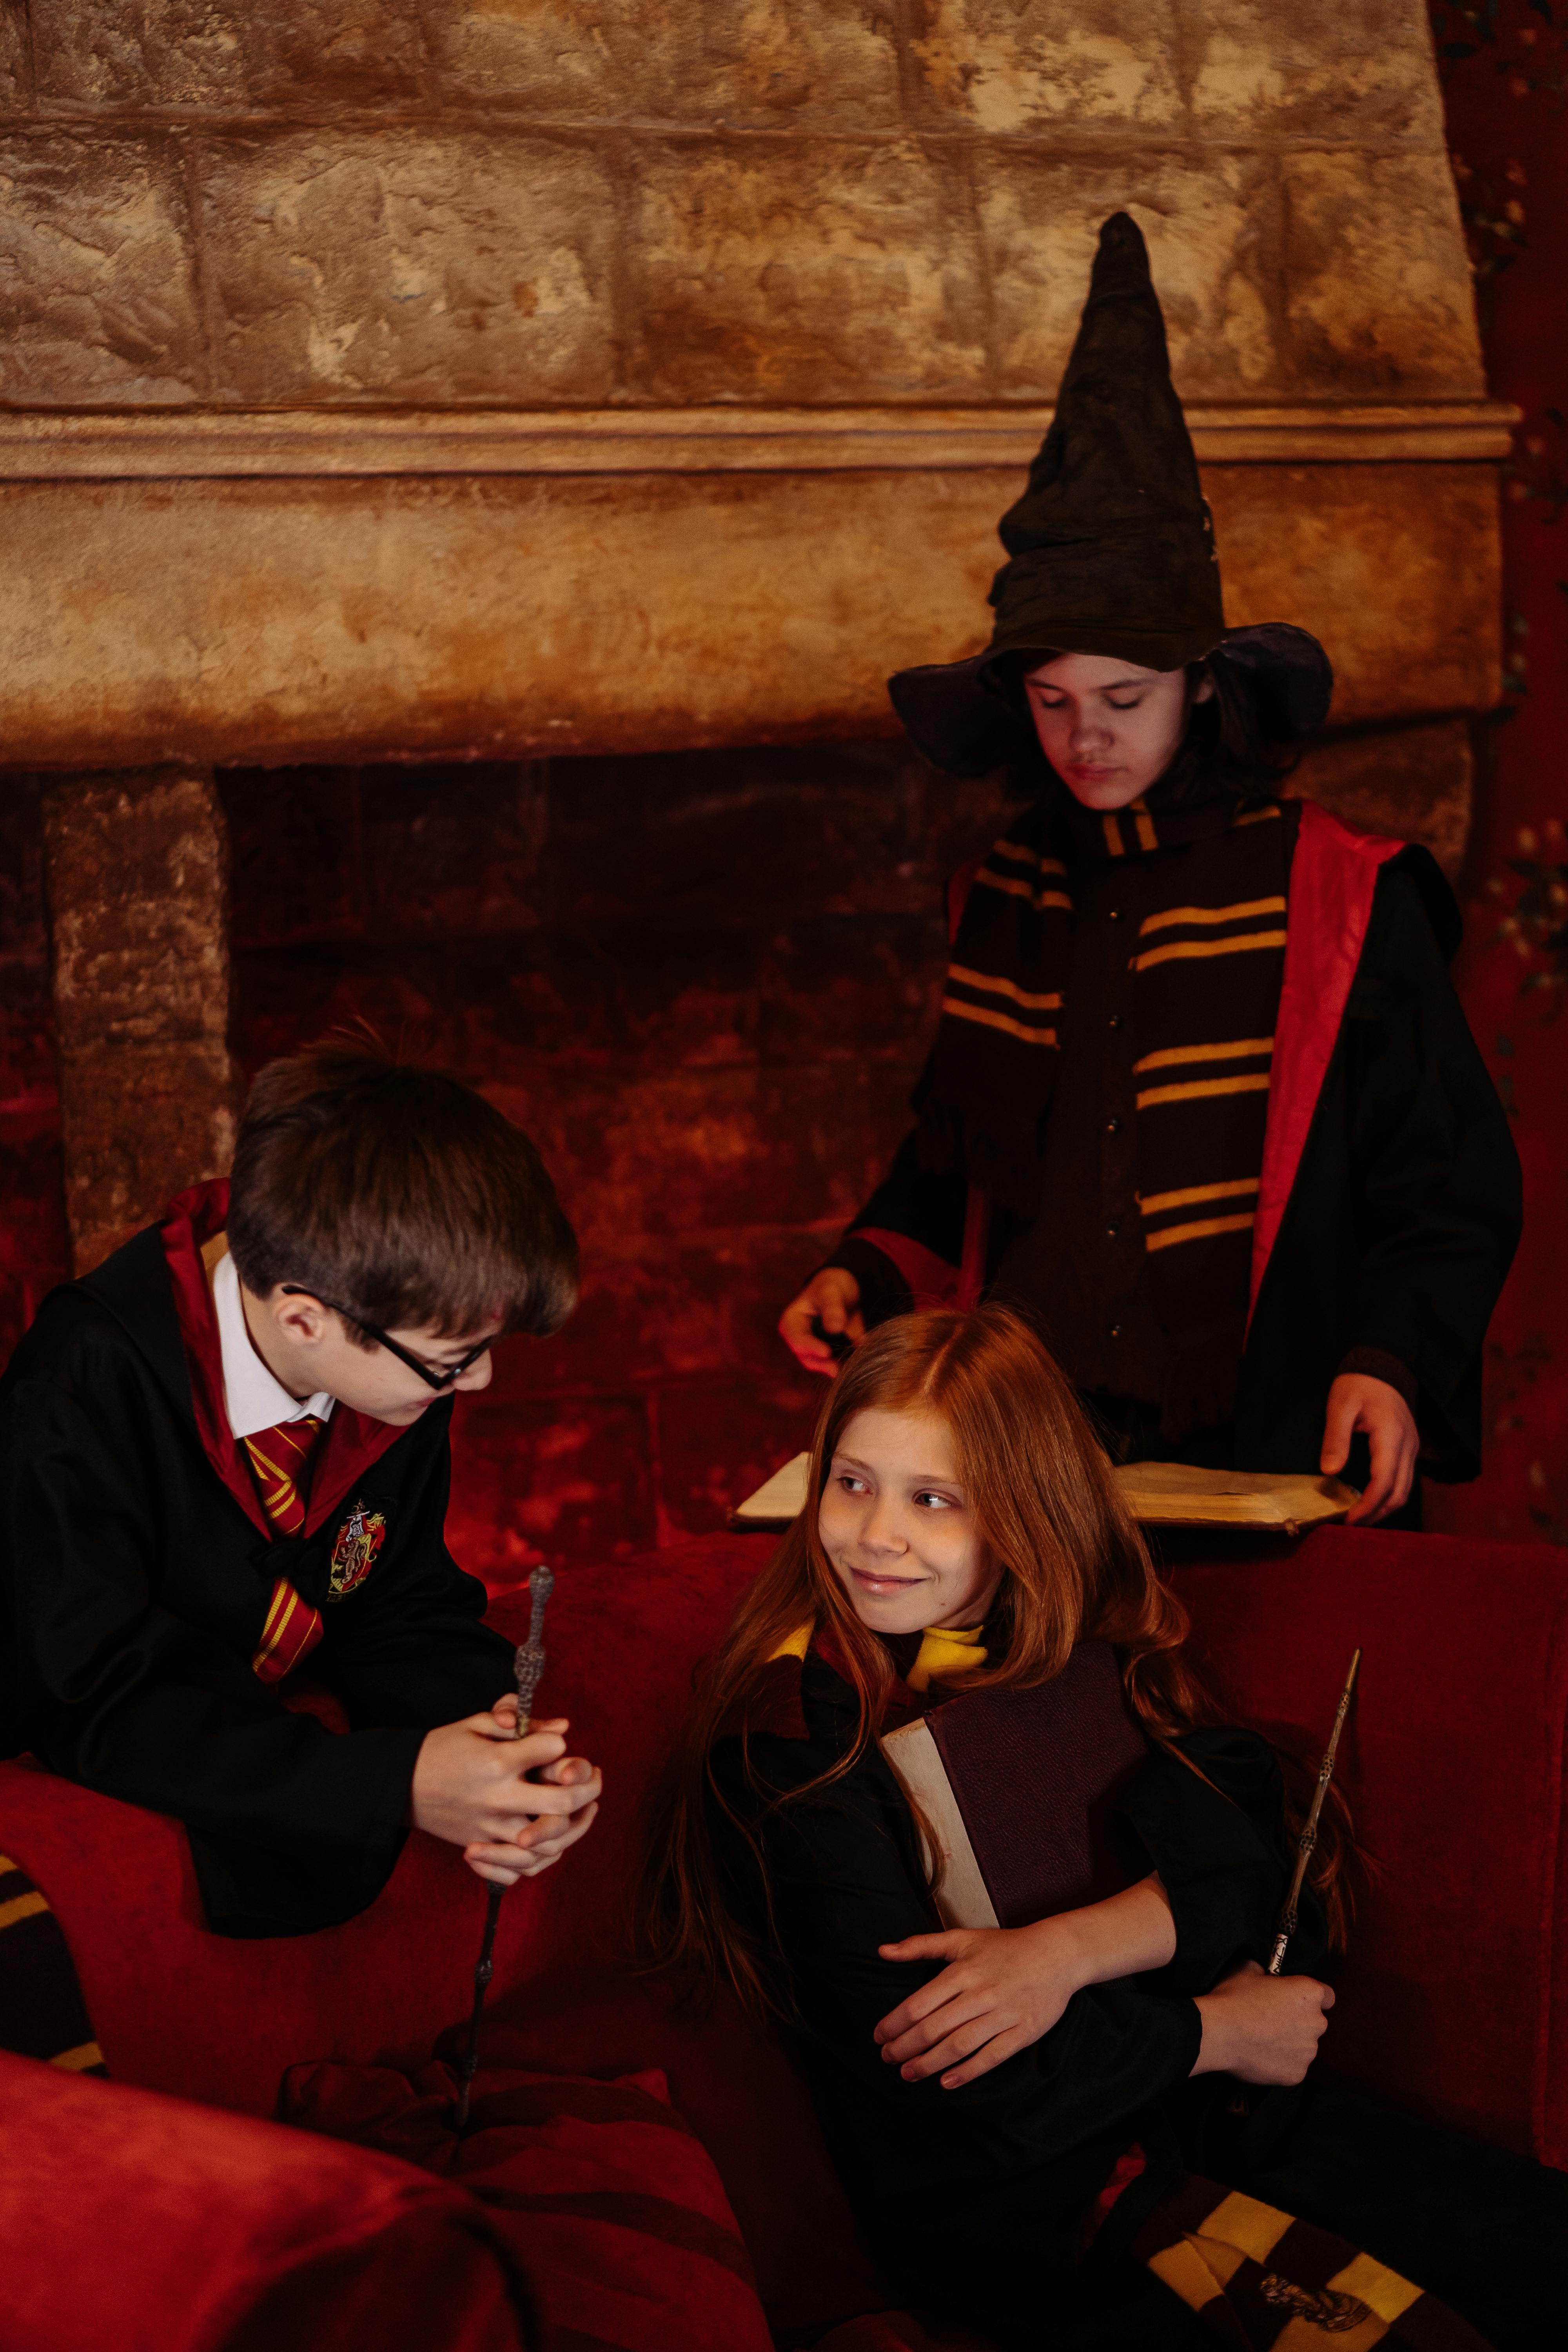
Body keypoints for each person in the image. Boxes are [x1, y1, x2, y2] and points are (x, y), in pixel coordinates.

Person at [779, 213, 1520, 1528]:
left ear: (1206, 688)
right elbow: (960, 1160)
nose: (1088, 737)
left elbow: (1445, 1179)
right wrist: (866, 1269)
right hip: (1034, 1437)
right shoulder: (1003, 897)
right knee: (1035, 1723)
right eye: (1054, 703)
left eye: (1124, 695)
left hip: (1277, 1429)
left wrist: (1389, 1359)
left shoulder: (1347, 897)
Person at [641, 1307, 1566, 2350]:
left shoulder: (1057, 1636)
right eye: (851, 1483)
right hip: (1039, 2197)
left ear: (1019, 1512)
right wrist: (1218, 2031)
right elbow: (957, 2071)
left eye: (932, 1499)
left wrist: (1068, 1950)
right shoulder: (790, 1743)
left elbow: (1257, 1850)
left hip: (1202, 2107)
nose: (876, 1536)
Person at [0, 1038, 603, 1941]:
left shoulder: (391, 1352)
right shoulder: (83, 1382)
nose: (474, 1385)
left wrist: (493, 1751)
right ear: (303, 1318)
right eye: (453, 1362)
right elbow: (93, 1691)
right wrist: (392, 1785)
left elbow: (395, 1600)